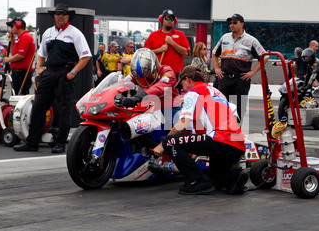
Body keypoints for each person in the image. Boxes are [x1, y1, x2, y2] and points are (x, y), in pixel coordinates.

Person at [153, 65, 248, 195]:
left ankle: (196, 182)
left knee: (169, 141)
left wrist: (161, 145)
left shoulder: (193, 92)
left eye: (181, 84)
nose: (182, 89)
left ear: (187, 79)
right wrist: (196, 150)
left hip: (219, 141)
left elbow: (183, 124)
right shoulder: (216, 91)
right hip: (236, 145)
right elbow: (206, 124)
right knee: (214, 179)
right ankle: (231, 178)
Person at [13, 2, 91, 153]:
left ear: (68, 16)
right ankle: (32, 143)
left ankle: (60, 143)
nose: (61, 16)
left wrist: (72, 73)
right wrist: (39, 68)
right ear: (54, 16)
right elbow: (41, 53)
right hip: (49, 73)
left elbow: (86, 56)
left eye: (63, 14)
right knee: (37, 107)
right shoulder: (48, 33)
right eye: (58, 13)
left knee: (64, 110)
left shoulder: (75, 33)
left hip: (65, 73)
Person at [212, 13, 268, 121]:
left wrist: (252, 72)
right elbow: (214, 53)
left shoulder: (251, 40)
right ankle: (222, 133)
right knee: (221, 107)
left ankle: (237, 133)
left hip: (241, 79)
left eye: (234, 23)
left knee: (240, 110)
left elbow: (264, 57)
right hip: (225, 77)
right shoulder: (225, 37)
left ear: (241, 24)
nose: (232, 25)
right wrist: (216, 69)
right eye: (230, 23)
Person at [114, 48, 180, 110]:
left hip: (169, 108)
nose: (143, 78)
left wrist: (137, 97)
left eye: (146, 73)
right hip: (150, 108)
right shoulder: (136, 73)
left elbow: (158, 88)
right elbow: (123, 83)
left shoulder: (167, 72)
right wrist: (109, 92)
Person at [144, 9, 190, 75]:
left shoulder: (180, 35)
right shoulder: (153, 35)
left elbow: (186, 52)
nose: (169, 20)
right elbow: (146, 53)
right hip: (158, 74)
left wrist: (172, 43)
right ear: (162, 20)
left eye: (172, 19)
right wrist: (159, 50)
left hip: (176, 74)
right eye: (167, 18)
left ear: (174, 21)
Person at [3, 17, 36, 95]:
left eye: (12, 26)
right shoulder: (20, 38)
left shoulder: (25, 37)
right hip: (18, 71)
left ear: (18, 25)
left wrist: (9, 59)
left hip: (22, 72)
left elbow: (21, 55)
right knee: (15, 94)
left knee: (20, 95)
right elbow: (13, 52)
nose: (11, 29)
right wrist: (12, 38)